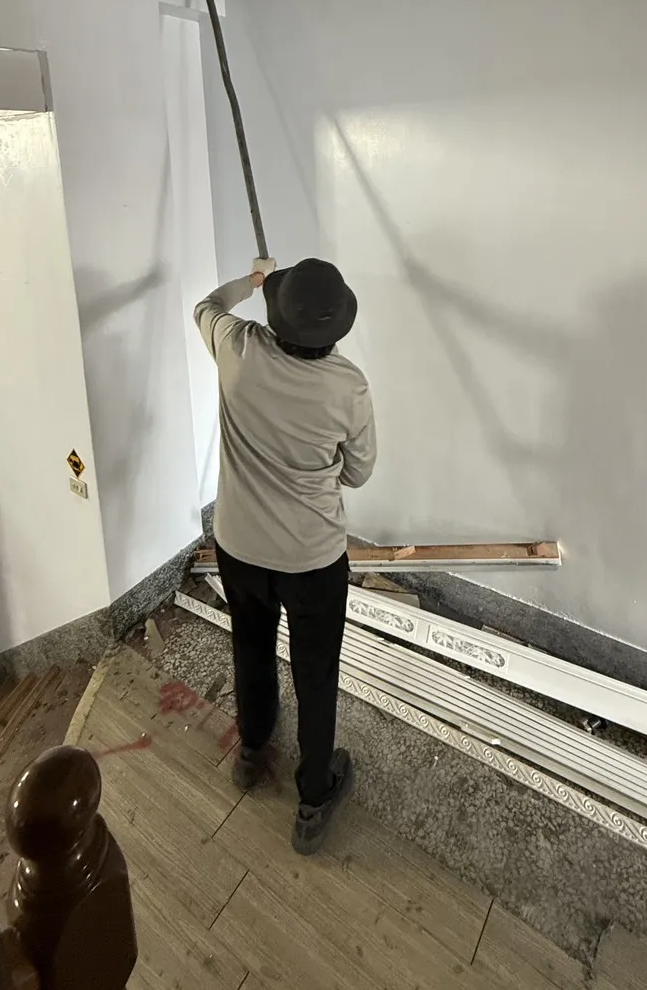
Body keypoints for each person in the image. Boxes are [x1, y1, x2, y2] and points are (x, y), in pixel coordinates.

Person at [194, 256, 376, 854]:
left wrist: (253, 281)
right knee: (315, 674)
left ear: (276, 313)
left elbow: (205, 306)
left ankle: (251, 750)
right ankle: (313, 798)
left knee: (250, 645)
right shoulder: (348, 386)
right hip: (312, 560)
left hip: (239, 548)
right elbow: (358, 473)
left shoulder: (237, 347)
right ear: (335, 329)